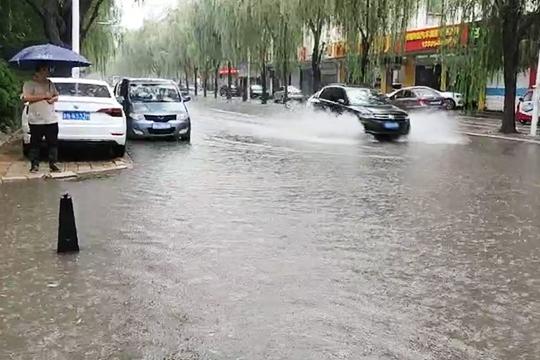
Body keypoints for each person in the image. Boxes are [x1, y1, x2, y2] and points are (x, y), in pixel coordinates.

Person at [21, 63, 60, 173]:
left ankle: (53, 163)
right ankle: (34, 165)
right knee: (35, 143)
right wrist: (43, 96)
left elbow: (56, 95)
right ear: (39, 71)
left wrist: (53, 99)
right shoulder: (29, 84)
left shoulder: (49, 83)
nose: (47, 72)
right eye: (45, 70)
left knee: (53, 142)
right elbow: (26, 98)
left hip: (51, 118)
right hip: (36, 119)